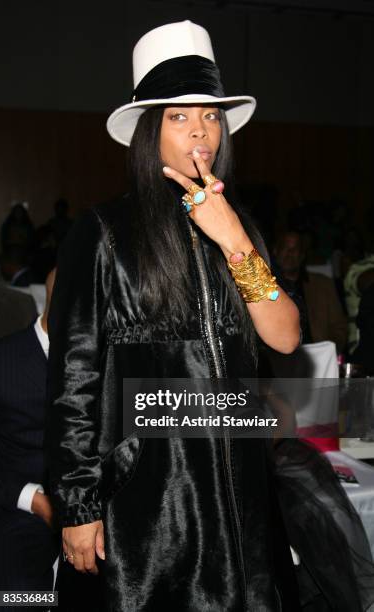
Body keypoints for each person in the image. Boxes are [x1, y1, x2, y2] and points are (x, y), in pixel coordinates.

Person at [45, 21, 373, 612]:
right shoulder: (101, 233)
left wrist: (232, 240)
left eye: (211, 116)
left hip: (241, 489)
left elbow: (285, 335)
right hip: (152, 497)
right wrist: (78, 505)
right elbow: (73, 381)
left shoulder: (236, 225)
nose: (200, 130)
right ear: (151, 129)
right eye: (179, 116)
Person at [0, 269, 60, 611]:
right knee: (17, 599)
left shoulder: (113, 362)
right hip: (23, 508)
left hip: (101, 515)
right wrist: (33, 499)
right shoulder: (2, 361)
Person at [273, 230, 347, 353]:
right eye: (285, 248)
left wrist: (327, 350)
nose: (290, 253)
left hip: (318, 358)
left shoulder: (323, 285)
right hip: (279, 360)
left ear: (302, 255)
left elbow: (339, 327)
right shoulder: (265, 288)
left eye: (295, 249)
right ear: (275, 251)